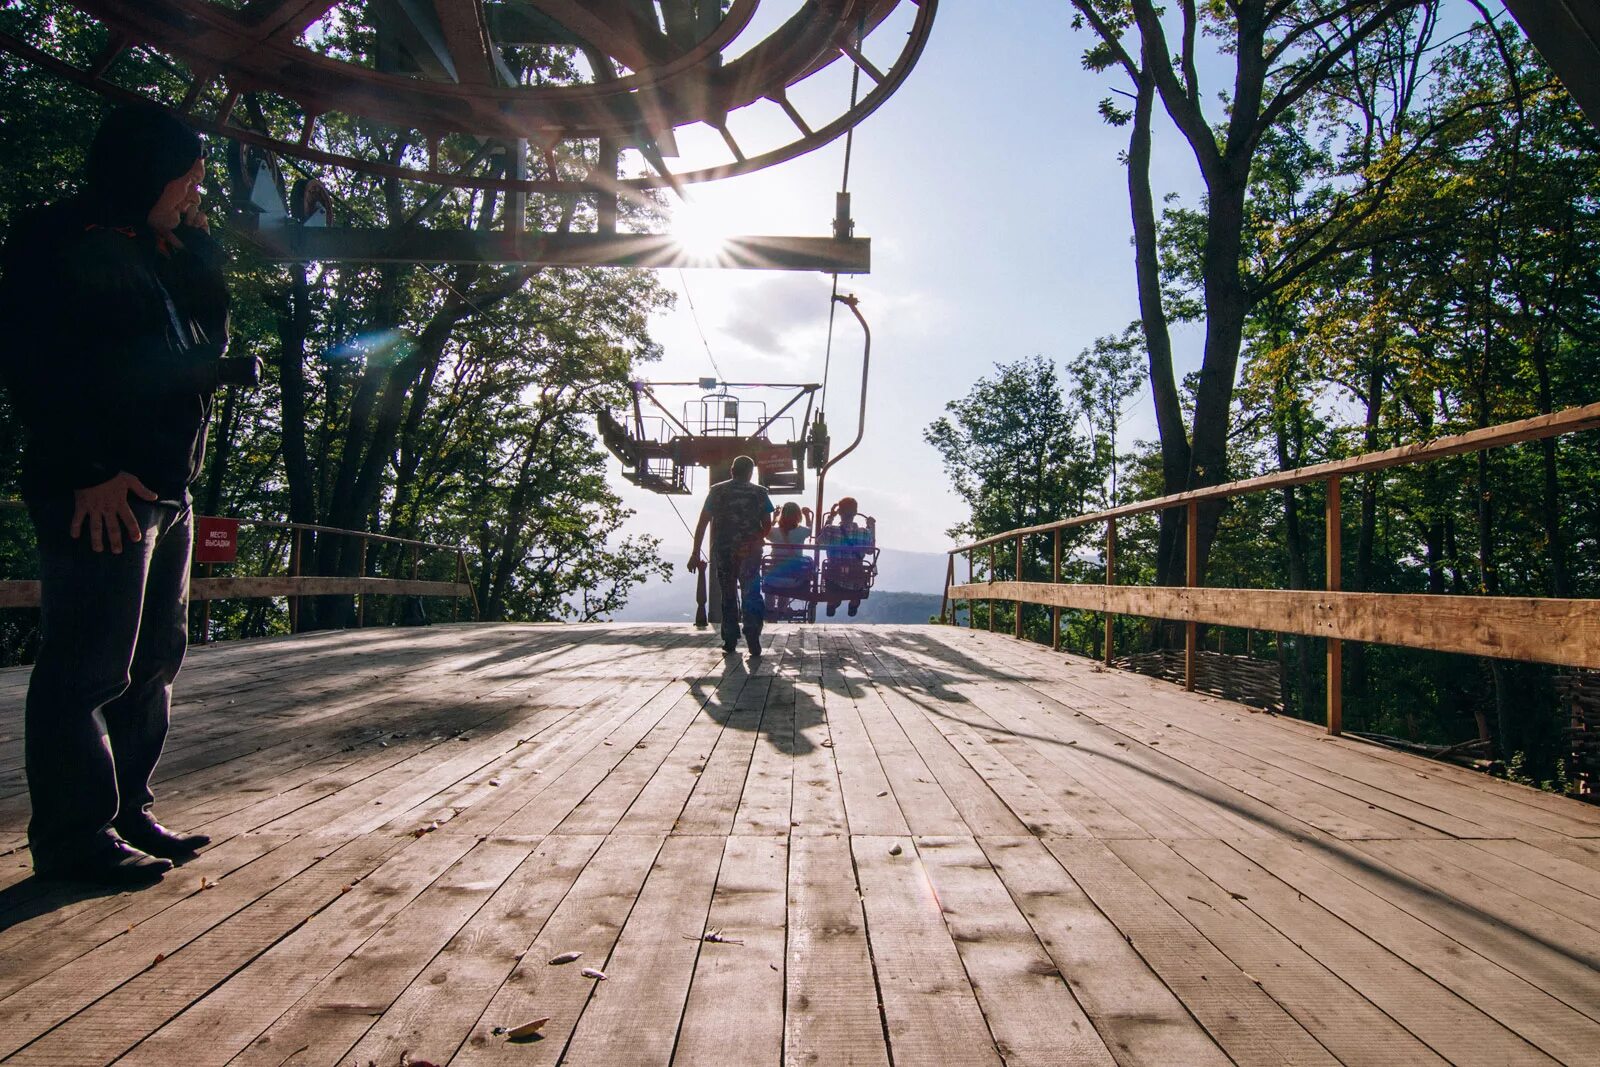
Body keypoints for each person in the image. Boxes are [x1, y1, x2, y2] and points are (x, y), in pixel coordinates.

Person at [0, 104, 259, 885]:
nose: (193, 192)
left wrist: (196, 246)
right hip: (100, 489)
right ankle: (73, 836)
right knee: (87, 667)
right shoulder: (57, 242)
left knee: (153, 661)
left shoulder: (160, 249)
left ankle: (126, 808)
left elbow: (199, 344)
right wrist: (84, 469)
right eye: (185, 180)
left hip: (163, 488)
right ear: (146, 172)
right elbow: (33, 364)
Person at [688, 455, 774, 656]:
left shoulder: (717, 491)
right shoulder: (760, 493)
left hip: (725, 550)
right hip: (750, 552)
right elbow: (767, 526)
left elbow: (703, 523)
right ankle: (753, 637)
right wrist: (753, 540)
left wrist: (694, 552)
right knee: (751, 593)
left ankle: (730, 639)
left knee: (728, 594)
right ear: (751, 472)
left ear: (732, 470)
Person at [820, 496, 873, 617]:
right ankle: (854, 602)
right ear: (855, 512)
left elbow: (819, 541)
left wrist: (830, 518)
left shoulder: (830, 530)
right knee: (858, 579)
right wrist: (871, 527)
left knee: (833, 578)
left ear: (839, 512)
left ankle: (833, 601)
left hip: (833, 579)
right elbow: (870, 551)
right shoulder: (864, 532)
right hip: (856, 580)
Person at [766, 502, 814, 591]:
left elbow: (766, 531)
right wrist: (807, 515)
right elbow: (810, 529)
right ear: (798, 516)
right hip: (794, 580)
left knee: (773, 579)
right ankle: (783, 605)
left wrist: (774, 519)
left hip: (773, 579)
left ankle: (769, 604)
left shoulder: (774, 532)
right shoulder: (802, 531)